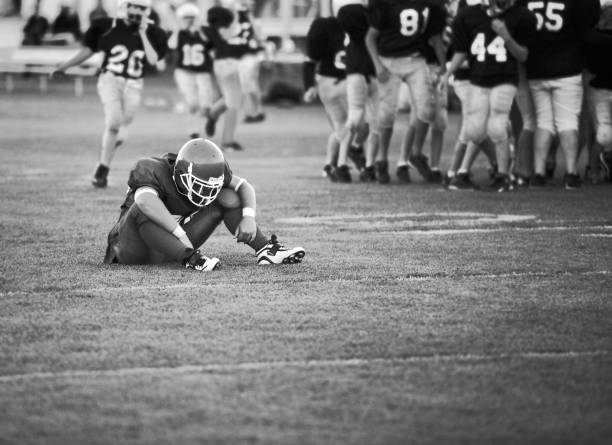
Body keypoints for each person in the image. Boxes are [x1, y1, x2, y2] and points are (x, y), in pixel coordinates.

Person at [103, 138, 306, 269]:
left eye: (210, 187)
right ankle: (192, 260)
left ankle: (265, 250)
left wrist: (249, 217)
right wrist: (180, 236)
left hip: (171, 247)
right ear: (182, 175)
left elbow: (244, 187)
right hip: (130, 248)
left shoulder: (213, 171)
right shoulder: (150, 168)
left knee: (229, 197)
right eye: (199, 186)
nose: (206, 193)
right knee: (143, 207)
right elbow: (145, 202)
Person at [51, 0, 168, 188]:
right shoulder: (107, 25)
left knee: (120, 130)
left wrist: (143, 33)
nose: (136, 10)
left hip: (134, 85)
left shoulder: (154, 32)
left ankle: (105, 155)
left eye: (141, 7)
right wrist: (65, 66)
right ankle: (102, 169)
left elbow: (153, 60)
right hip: (110, 80)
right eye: (133, 6)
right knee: (114, 122)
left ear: (147, 10)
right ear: (125, 6)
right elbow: (89, 50)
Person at [441, 0, 536, 191]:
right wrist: (448, 73)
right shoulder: (468, 16)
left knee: (497, 126)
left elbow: (523, 55)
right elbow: (461, 51)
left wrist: (506, 36)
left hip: (504, 79)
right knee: (474, 130)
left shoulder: (521, 16)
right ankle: (462, 173)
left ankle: (502, 175)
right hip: (478, 80)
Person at [518, 0, 601, 189]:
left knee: (543, 122)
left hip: (536, 68)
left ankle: (539, 173)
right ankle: (571, 173)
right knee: (568, 122)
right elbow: (586, 28)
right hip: (567, 67)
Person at [366, 0, 448, 184]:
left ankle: (416, 152)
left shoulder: (426, 5)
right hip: (388, 60)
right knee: (386, 115)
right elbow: (370, 37)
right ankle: (382, 160)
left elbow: (435, 37)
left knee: (427, 110)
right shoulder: (385, 5)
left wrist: (443, 64)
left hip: (415, 60)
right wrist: (377, 65)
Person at [303, 10, 348, 181]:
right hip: (334, 83)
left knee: (343, 128)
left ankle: (331, 164)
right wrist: (309, 86)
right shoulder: (329, 27)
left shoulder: (357, 24)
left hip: (334, 83)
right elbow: (310, 61)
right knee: (346, 126)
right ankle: (338, 162)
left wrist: (309, 86)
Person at [168, 2, 215, 139]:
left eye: (191, 17)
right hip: (185, 72)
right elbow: (172, 45)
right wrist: (178, 28)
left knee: (206, 106)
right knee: (192, 103)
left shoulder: (204, 31)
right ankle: (193, 131)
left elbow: (211, 45)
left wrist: (198, 30)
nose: (189, 20)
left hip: (202, 72)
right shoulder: (180, 33)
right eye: (186, 17)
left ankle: (210, 120)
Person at [205, 6, 248, 151]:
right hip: (228, 64)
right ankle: (227, 141)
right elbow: (237, 36)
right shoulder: (225, 29)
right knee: (233, 103)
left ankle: (213, 113)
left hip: (220, 64)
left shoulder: (210, 30)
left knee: (230, 99)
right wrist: (239, 13)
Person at [235, 0, 266, 123]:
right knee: (248, 86)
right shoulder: (234, 21)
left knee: (249, 85)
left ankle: (254, 111)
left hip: (250, 56)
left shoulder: (254, 22)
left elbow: (260, 37)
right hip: (239, 57)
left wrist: (250, 18)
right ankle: (255, 111)